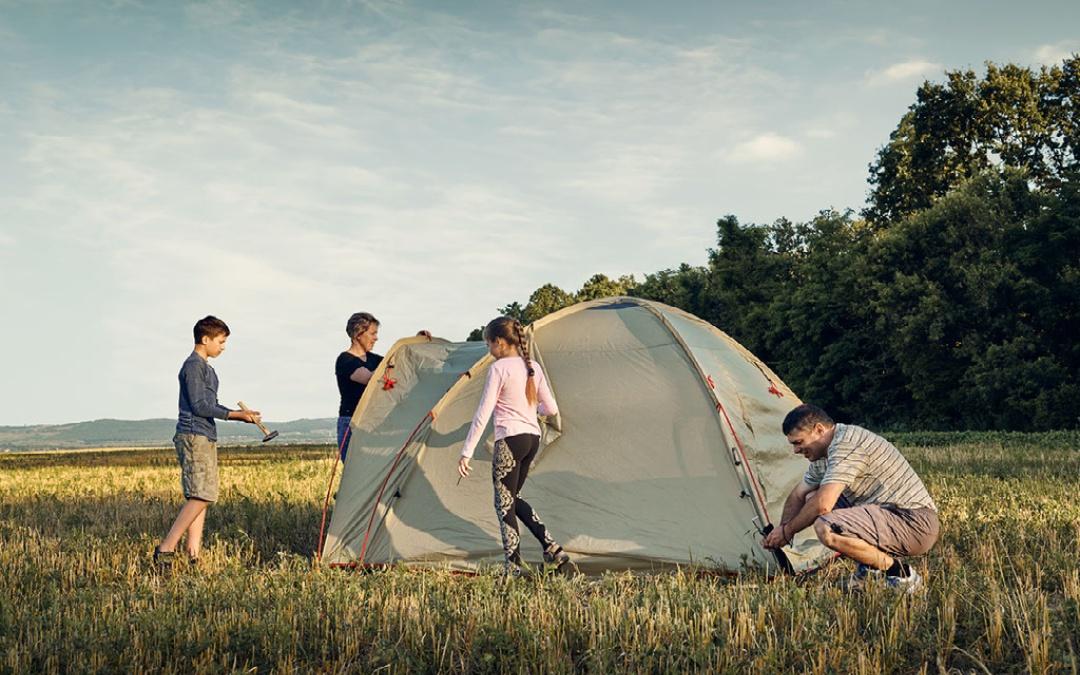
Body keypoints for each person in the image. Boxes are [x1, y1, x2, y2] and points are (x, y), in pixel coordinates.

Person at [763, 404, 939, 591]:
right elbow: (799, 494)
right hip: (886, 517)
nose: (795, 451)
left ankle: (900, 573)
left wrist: (788, 531)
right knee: (811, 497)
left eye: (798, 442)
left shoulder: (847, 443)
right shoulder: (822, 456)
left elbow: (823, 505)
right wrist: (782, 530)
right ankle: (872, 570)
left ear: (819, 430)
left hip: (914, 523)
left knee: (827, 526)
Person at [457, 316, 570, 575]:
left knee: (503, 504)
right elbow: (551, 409)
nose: (489, 350)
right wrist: (531, 409)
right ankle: (552, 547)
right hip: (532, 439)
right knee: (513, 498)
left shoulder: (499, 368)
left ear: (499, 342)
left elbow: (483, 413)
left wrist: (467, 452)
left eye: (488, 345)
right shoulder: (533, 368)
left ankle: (514, 566)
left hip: (509, 439)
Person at [154, 316, 261, 566]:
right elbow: (201, 406)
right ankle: (166, 549)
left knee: (201, 495)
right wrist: (236, 415)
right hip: (194, 434)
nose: (223, 347)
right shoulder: (193, 366)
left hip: (205, 434)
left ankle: (193, 555)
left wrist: (241, 415)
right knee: (202, 495)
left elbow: (209, 405)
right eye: (221, 341)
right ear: (205, 339)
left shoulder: (207, 369)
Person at [335, 313, 430, 460]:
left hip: (373, 421)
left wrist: (416, 342)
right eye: (372, 333)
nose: (376, 338)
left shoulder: (375, 359)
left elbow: (398, 363)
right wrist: (392, 362)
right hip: (352, 423)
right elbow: (370, 378)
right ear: (358, 334)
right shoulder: (345, 360)